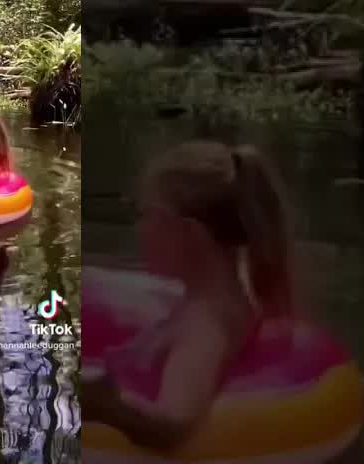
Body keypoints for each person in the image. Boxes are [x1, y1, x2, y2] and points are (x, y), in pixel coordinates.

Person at [82, 140, 295, 451]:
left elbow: (175, 426)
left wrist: (107, 407)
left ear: (189, 234)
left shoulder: (204, 326)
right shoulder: (231, 298)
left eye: (147, 215)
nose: (139, 228)